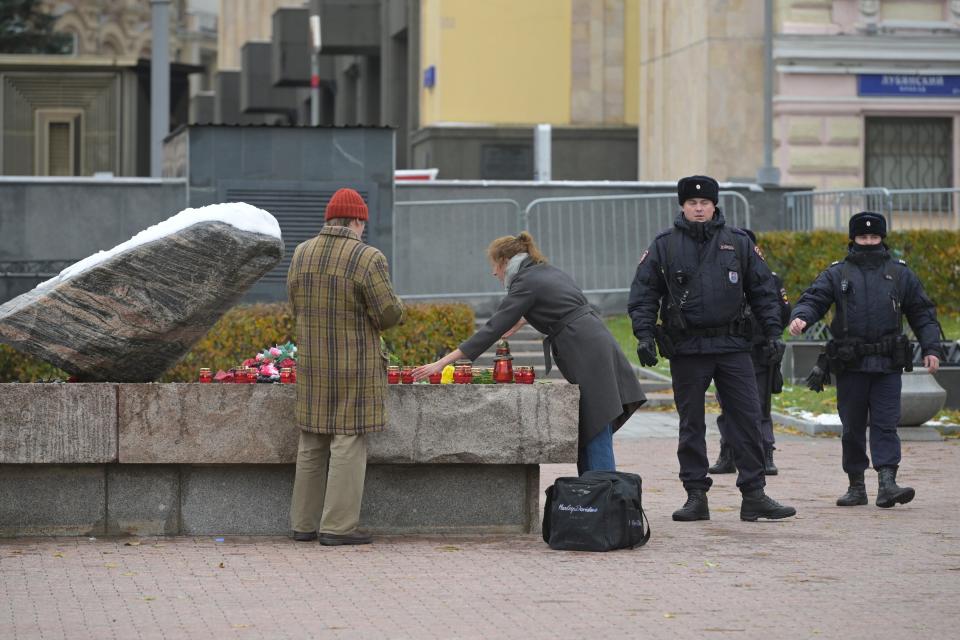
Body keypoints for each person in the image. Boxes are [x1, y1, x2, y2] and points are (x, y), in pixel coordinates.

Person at [628, 175, 796, 522]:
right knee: (692, 424)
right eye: (692, 203)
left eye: (705, 203)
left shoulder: (737, 242)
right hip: (688, 347)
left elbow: (763, 290)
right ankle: (695, 496)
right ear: (682, 206)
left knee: (747, 419)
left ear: (715, 204)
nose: (699, 208)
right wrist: (644, 335)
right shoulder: (665, 245)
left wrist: (773, 333)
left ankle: (754, 495)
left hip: (733, 346)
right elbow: (644, 293)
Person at [412, 232, 645, 474]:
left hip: (584, 347)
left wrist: (441, 363)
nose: (494, 273)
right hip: (591, 341)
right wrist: (525, 318)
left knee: (597, 420)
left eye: (494, 265)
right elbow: (560, 302)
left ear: (505, 261)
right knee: (594, 419)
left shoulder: (525, 281)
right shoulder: (543, 271)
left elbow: (492, 328)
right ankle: (594, 495)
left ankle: (603, 495)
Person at [789, 211, 942, 509]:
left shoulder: (899, 273)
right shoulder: (838, 273)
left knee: (886, 423)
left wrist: (931, 348)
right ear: (853, 239)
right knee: (853, 426)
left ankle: (887, 483)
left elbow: (922, 312)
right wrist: (800, 318)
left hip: (887, 364)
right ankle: (856, 485)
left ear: (882, 238)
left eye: (874, 237)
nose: (869, 242)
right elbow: (814, 299)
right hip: (851, 364)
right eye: (863, 237)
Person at [287, 187, 404, 545]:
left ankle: (302, 524)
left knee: (311, 439)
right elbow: (387, 314)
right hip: (355, 364)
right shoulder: (367, 257)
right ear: (356, 221)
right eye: (362, 224)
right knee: (347, 439)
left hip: (312, 362)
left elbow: (293, 304)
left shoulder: (301, 253)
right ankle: (337, 528)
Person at [710, 229, 791, 476]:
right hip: (729, 348)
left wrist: (765, 331)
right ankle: (728, 452)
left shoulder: (769, 279)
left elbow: (783, 312)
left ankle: (765, 452)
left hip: (758, 351)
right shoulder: (720, 277)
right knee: (727, 405)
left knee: (759, 407)